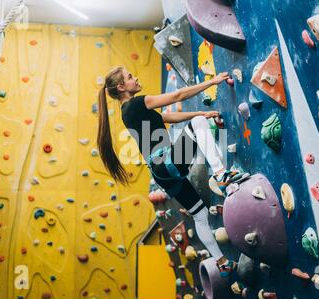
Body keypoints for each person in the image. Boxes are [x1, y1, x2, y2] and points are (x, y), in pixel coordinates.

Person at [97, 66, 246, 277]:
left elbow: (165, 119)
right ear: (121, 87)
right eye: (130, 77)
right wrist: (211, 83)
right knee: (197, 124)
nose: (136, 77)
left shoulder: (127, 112)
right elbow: (177, 95)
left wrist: (201, 112)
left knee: (201, 215)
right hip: (166, 162)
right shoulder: (137, 102)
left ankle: (221, 262)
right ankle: (220, 174)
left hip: (160, 174)